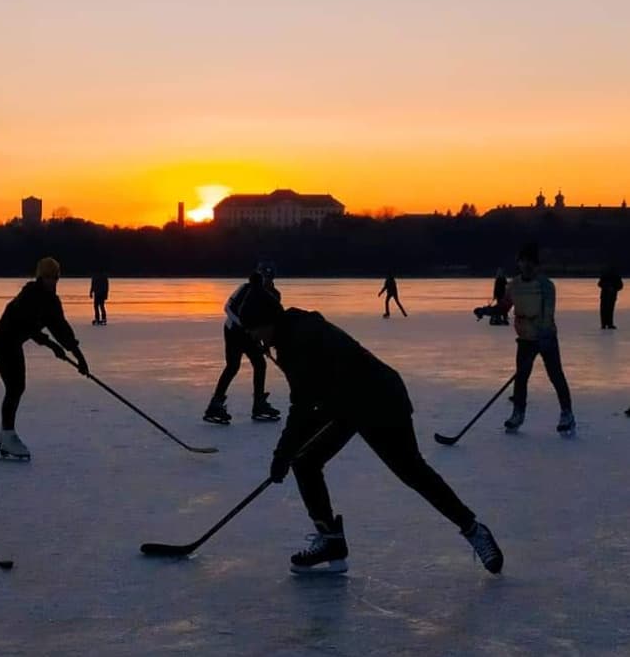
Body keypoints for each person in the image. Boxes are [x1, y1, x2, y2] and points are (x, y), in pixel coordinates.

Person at [233, 284, 502, 575]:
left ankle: (473, 529)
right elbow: (310, 404)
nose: (251, 335)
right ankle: (331, 540)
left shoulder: (298, 340)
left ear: (267, 320)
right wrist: (286, 455)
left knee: (413, 472)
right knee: (305, 461)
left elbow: (301, 406)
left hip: (380, 400)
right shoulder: (291, 332)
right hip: (345, 403)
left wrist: (281, 454)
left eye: (253, 328)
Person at [0, 257, 89, 459]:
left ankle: (5, 433)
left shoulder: (52, 301)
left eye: (56, 278)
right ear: (41, 277)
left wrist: (79, 357)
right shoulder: (29, 295)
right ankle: (7, 434)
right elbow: (27, 326)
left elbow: (61, 329)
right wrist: (52, 346)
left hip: (14, 343)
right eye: (49, 278)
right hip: (1, 342)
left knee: (17, 387)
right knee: (15, 387)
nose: (53, 282)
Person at [474, 242, 575, 434]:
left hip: (546, 339)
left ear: (536, 264)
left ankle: (567, 413)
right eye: (523, 261)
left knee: (556, 376)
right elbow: (504, 306)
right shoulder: (514, 285)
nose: (527, 265)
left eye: (531, 262)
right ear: (519, 263)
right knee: (521, 378)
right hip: (525, 338)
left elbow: (548, 313)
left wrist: (544, 336)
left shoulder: (546, 286)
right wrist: (485, 310)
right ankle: (518, 413)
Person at [203, 265, 281, 424]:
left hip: (251, 335)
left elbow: (269, 322)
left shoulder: (273, 295)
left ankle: (259, 404)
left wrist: (266, 343)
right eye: (263, 276)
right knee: (233, 366)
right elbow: (228, 308)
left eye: (268, 277)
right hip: (233, 332)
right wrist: (243, 325)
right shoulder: (245, 289)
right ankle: (215, 405)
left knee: (260, 364)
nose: (265, 280)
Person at [597, 265, 622, 330]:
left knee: (608, 310)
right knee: (606, 310)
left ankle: (607, 324)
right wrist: (608, 287)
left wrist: (613, 288)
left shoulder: (616, 276)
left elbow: (620, 286)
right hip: (606, 296)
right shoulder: (607, 276)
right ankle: (605, 324)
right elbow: (600, 284)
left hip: (611, 296)